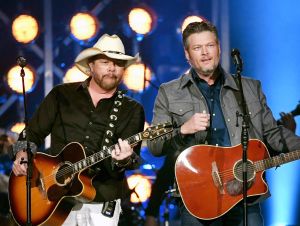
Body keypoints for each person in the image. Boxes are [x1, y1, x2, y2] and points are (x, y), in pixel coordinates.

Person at [147, 21, 300, 226]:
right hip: (198, 198)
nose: (205, 53)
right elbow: (155, 146)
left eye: (209, 45)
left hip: (246, 193)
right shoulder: (170, 92)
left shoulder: (249, 87)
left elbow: (272, 132)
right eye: (197, 48)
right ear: (187, 54)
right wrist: (182, 130)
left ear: (219, 47)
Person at [11, 34, 145, 226]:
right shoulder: (61, 94)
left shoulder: (132, 109)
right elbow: (32, 132)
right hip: (53, 197)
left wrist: (122, 159)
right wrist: (23, 153)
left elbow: (131, 159)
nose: (112, 68)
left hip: (101, 199)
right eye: (105, 62)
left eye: (118, 63)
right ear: (91, 65)